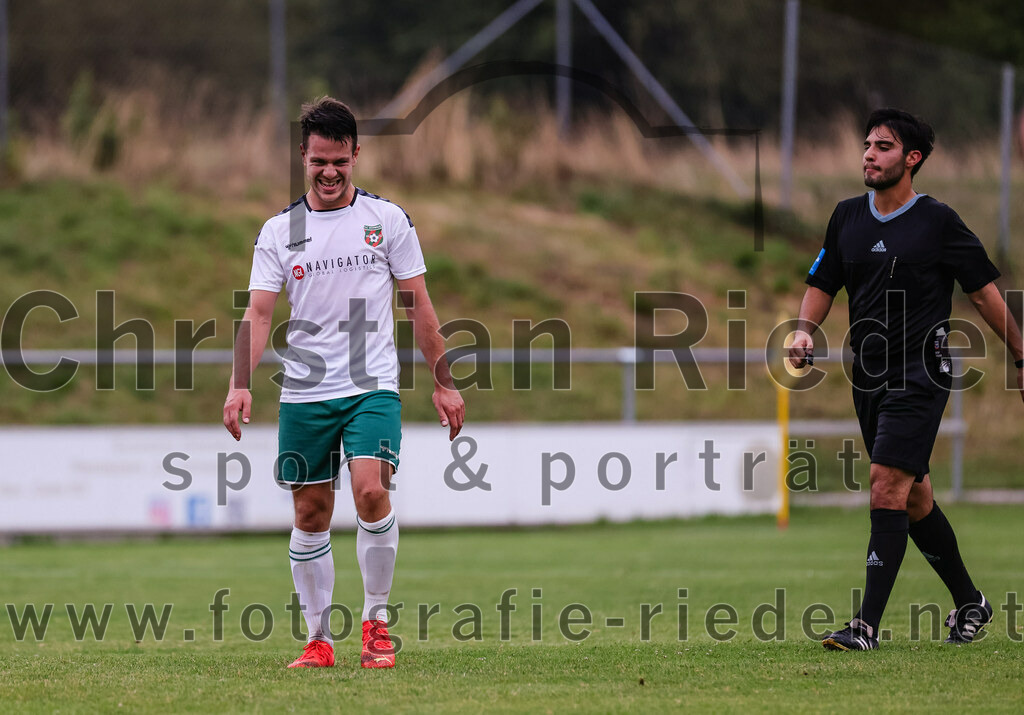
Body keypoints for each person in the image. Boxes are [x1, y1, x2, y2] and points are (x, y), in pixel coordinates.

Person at [223, 97, 465, 669]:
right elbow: (258, 314)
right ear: (302, 157)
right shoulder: (281, 232)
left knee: (371, 491)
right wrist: (239, 384)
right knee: (309, 513)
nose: (329, 172)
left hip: (371, 385)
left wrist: (444, 383)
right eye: (318, 162)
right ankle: (318, 639)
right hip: (305, 393)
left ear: (356, 154)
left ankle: (377, 623)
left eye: (340, 161)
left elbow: (419, 305)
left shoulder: (387, 221)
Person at [788, 108, 1024, 651]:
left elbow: (984, 293)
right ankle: (971, 602)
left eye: (884, 146)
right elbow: (823, 282)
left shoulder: (938, 221)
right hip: (866, 376)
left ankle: (865, 627)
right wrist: (804, 332)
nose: (869, 154)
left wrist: (1020, 354)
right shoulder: (846, 217)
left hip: (921, 373)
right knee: (912, 497)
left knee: (884, 484)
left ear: (912, 159)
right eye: (867, 144)